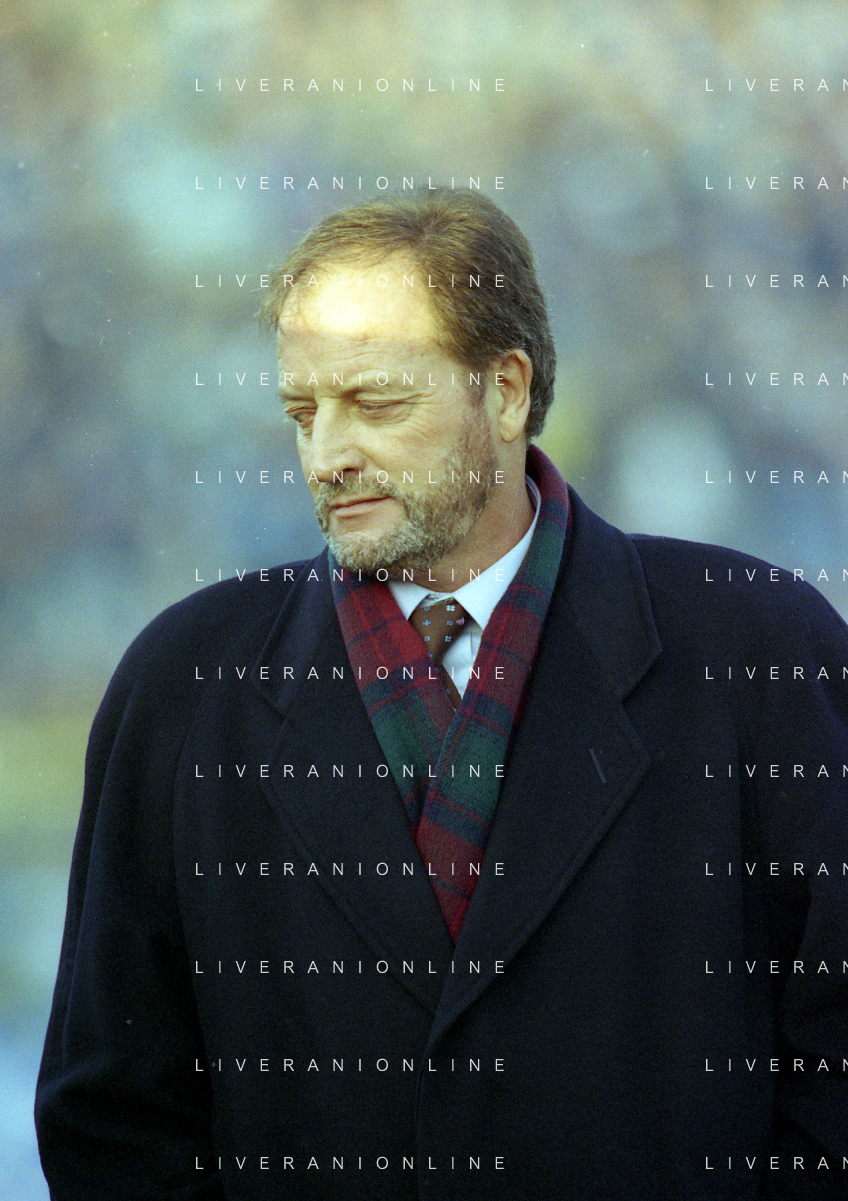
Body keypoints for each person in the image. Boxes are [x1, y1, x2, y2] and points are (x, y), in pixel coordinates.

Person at [36, 189, 848, 1200]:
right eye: (303, 412)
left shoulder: (761, 651)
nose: (327, 454)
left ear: (503, 392)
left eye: (375, 403)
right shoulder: (182, 684)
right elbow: (112, 1113)